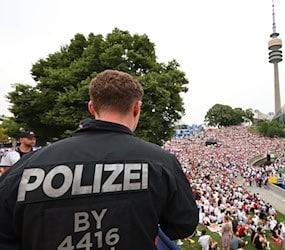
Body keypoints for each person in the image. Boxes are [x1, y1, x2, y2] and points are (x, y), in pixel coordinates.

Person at [0, 69, 199, 249]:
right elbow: (182, 225)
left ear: (92, 107)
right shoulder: (161, 162)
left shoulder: (25, 167)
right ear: (137, 108)